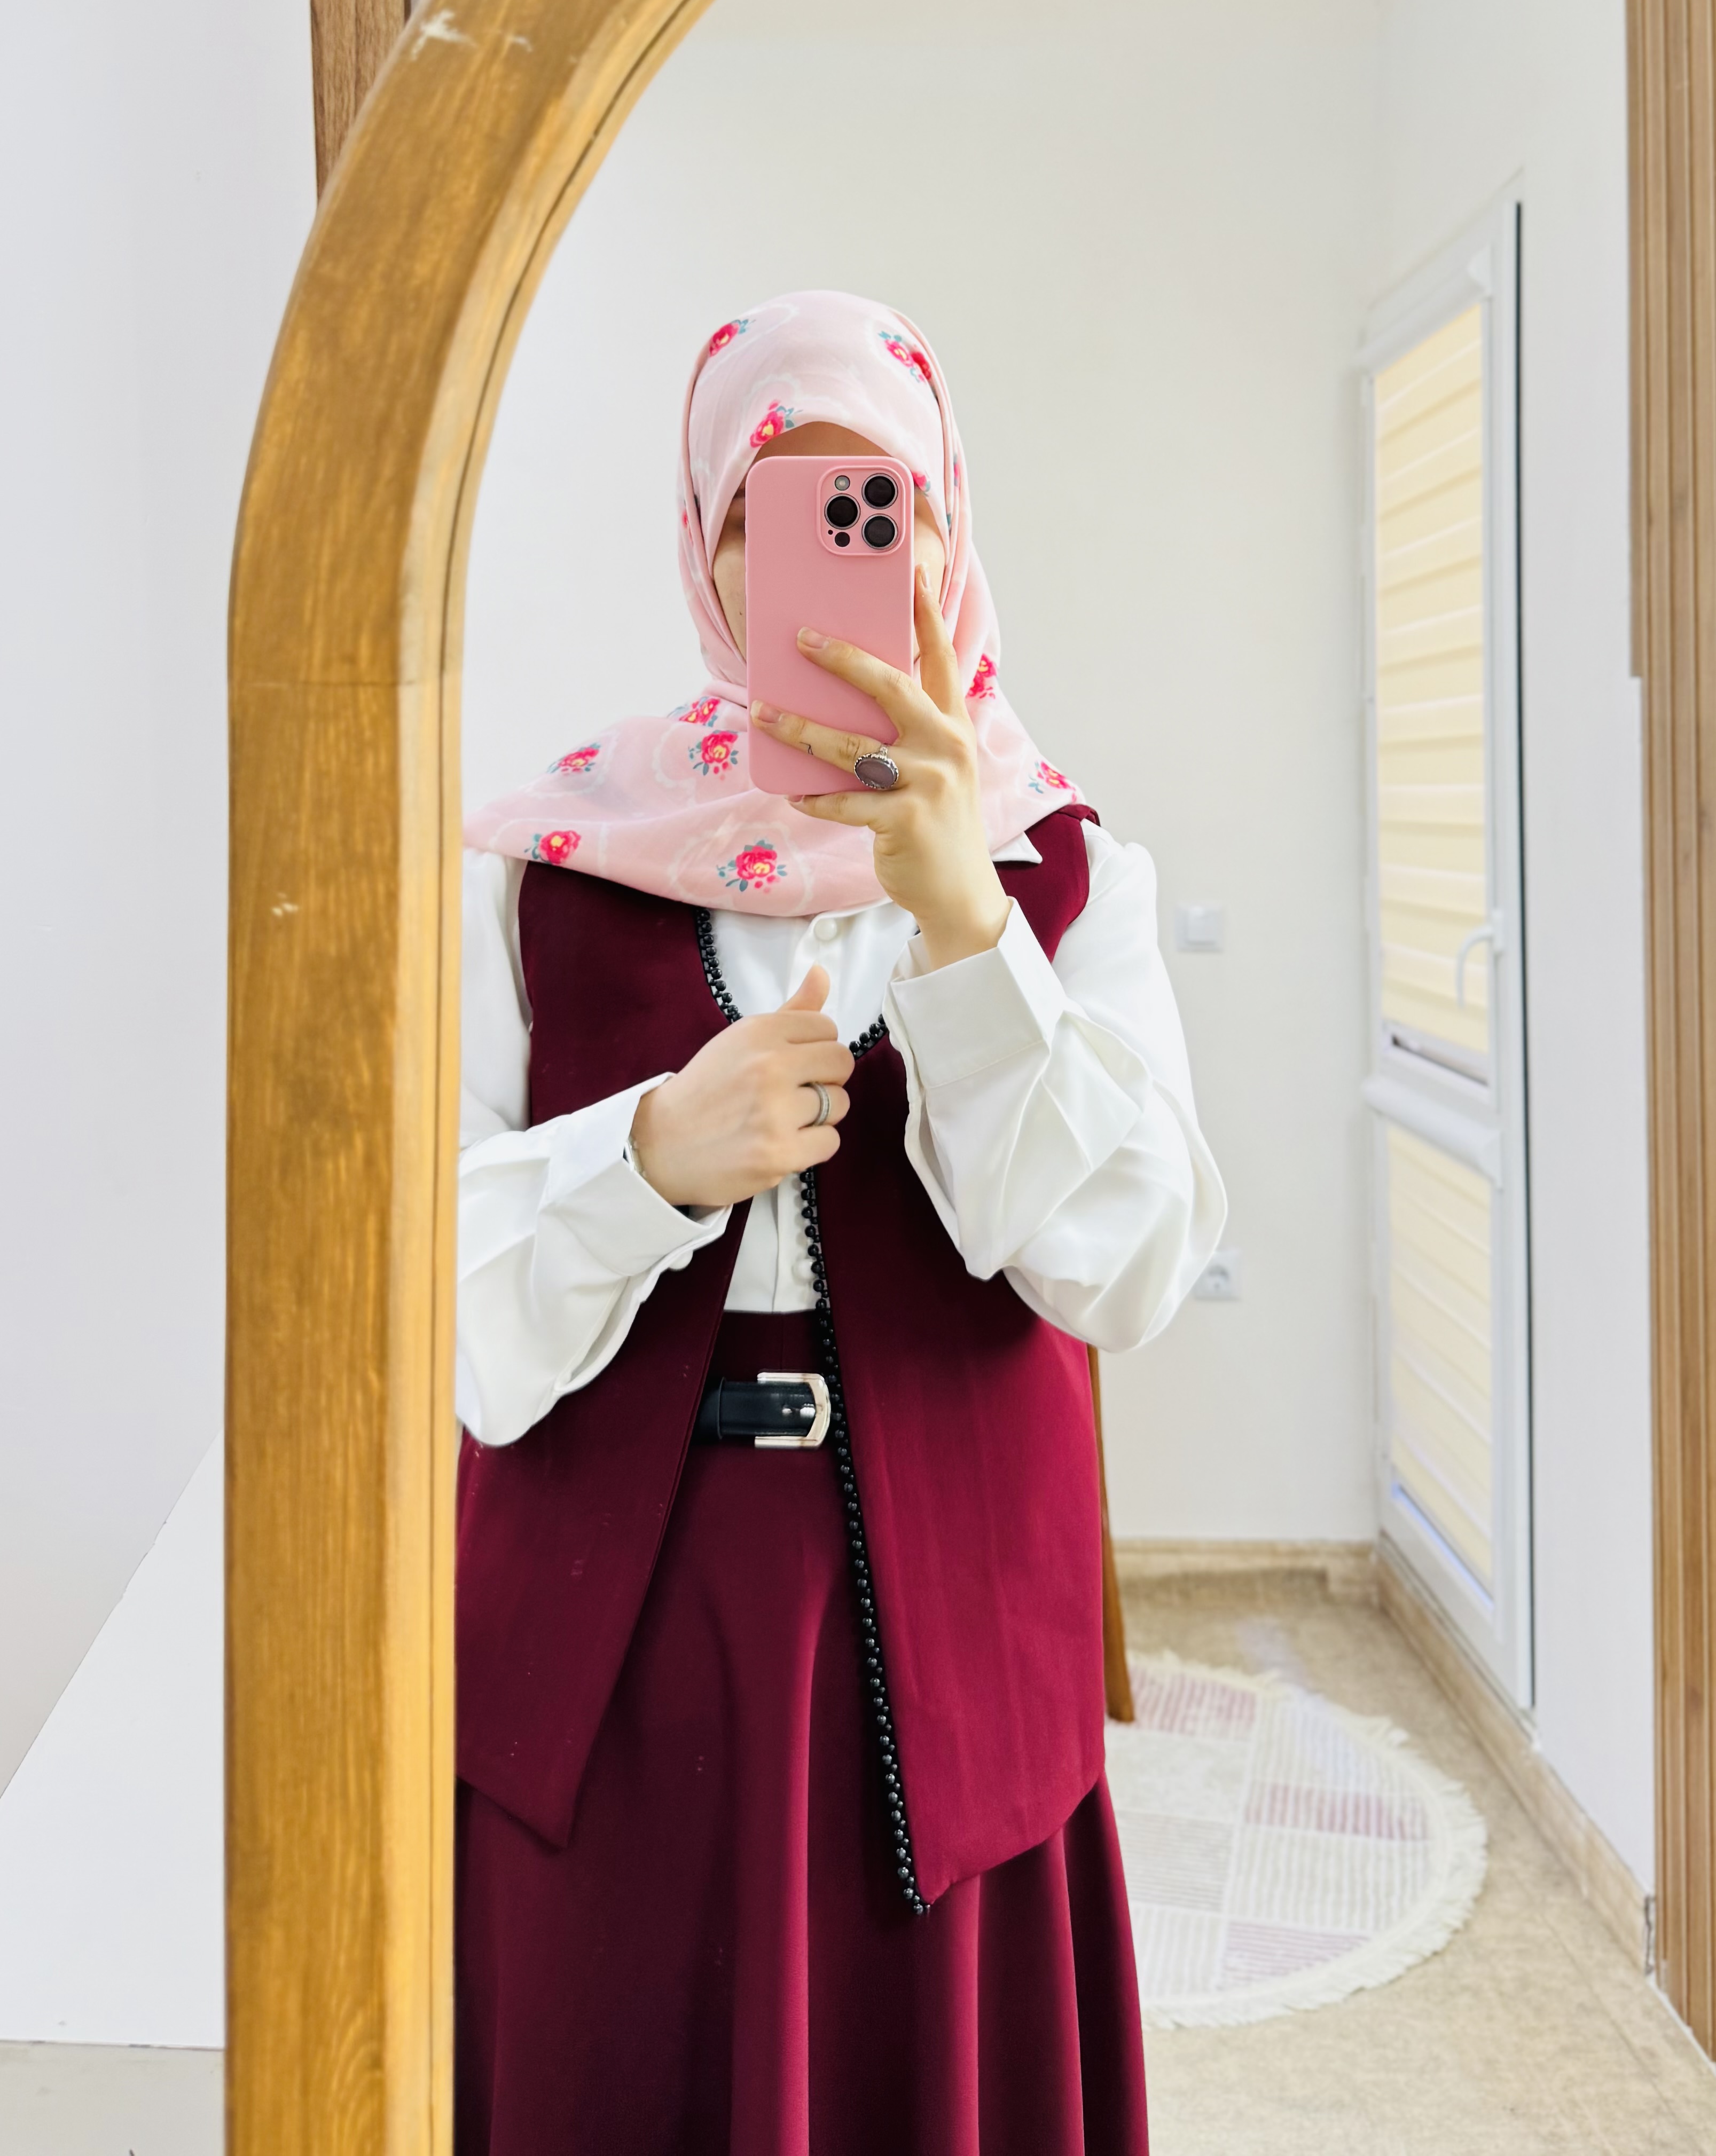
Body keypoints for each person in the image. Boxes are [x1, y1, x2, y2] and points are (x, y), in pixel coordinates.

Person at [453, 288, 1225, 2155]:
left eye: (879, 506)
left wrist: (965, 928)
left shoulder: (1064, 868)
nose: (826, 565)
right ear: (704, 549)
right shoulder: (550, 867)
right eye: (768, 512)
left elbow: (1130, 1267)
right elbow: (436, 1316)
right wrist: (648, 1157)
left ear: (947, 535)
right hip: (608, 1656)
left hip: (955, 1660)